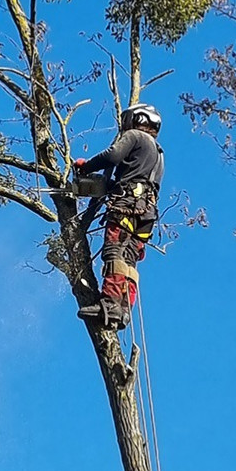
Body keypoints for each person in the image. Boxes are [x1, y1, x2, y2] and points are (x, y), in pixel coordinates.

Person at [73, 103, 164, 329]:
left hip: (127, 204)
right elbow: (138, 179)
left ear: (136, 119)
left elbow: (112, 155)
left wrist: (87, 167)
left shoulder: (134, 136)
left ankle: (111, 302)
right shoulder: (158, 154)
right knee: (129, 261)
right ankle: (123, 308)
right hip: (146, 214)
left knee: (115, 250)